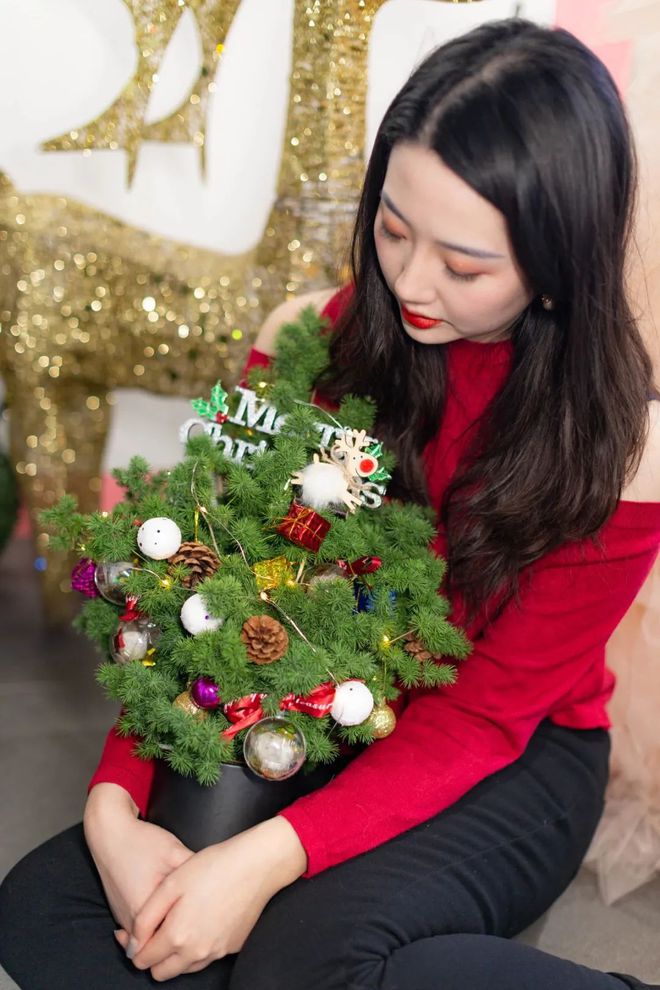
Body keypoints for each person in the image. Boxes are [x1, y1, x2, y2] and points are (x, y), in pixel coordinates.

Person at [1, 16, 660, 990]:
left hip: (511, 756)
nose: (408, 281)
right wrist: (112, 810)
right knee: (56, 905)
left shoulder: (622, 448)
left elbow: (484, 717)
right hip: (308, 695)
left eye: (465, 265)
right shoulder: (309, 341)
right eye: (393, 229)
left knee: (295, 954)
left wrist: (268, 860)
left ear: (561, 267)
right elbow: (203, 598)